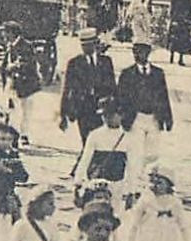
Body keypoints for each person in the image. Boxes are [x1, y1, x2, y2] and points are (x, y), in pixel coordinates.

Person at [115, 39, 173, 199]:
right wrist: (122, 117)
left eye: (140, 51)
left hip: (154, 118)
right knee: (135, 154)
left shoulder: (158, 73)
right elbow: (120, 97)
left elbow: (164, 96)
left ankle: (149, 188)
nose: (137, 54)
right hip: (135, 119)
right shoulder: (127, 74)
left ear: (148, 53)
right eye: (134, 51)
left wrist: (168, 118)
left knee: (152, 155)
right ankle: (131, 189)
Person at [58, 28, 116, 145]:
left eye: (88, 45)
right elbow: (66, 89)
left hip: (102, 108)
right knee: (87, 140)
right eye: (83, 45)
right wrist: (63, 115)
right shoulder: (74, 63)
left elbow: (113, 86)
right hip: (82, 109)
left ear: (95, 44)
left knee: (101, 140)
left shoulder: (106, 62)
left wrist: (115, 108)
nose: (85, 48)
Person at [70, 97, 129, 198]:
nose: (106, 118)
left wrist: (129, 190)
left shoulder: (128, 137)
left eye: (111, 114)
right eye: (104, 115)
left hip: (118, 185)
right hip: (96, 184)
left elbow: (133, 165)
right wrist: (78, 182)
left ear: (121, 115)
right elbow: (85, 159)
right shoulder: (95, 135)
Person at [165, 0, 191, 65]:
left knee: (183, 41)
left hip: (184, 23)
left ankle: (181, 59)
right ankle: (172, 55)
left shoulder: (188, 0)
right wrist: (172, 20)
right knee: (174, 40)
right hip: (176, 22)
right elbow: (171, 11)